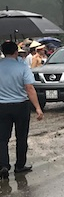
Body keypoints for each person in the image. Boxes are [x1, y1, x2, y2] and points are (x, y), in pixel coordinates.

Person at [0, 41, 44, 179]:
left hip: (2, 106)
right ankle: (19, 165)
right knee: (21, 137)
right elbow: (29, 88)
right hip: (21, 105)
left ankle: (3, 165)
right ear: (15, 52)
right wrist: (37, 107)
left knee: (2, 138)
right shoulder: (22, 67)